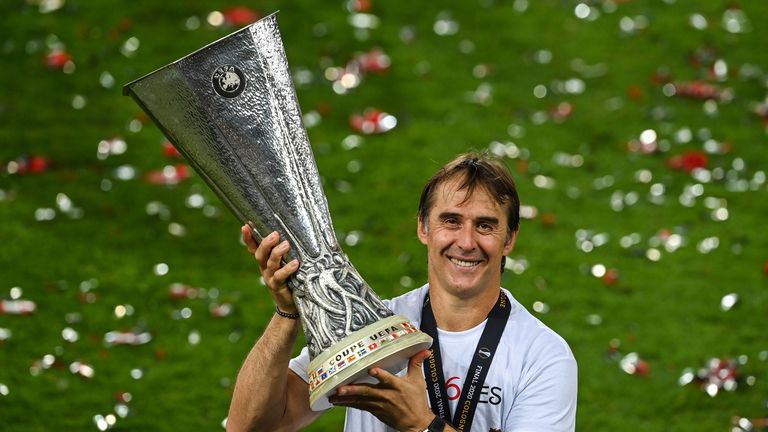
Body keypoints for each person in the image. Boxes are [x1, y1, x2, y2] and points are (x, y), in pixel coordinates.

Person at [226, 152, 577, 432]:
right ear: (423, 228)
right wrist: (288, 312)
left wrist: (421, 425)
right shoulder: (367, 326)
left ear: (509, 239)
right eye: (451, 221)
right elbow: (249, 427)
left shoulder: (542, 356)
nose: (466, 242)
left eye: (485, 225)